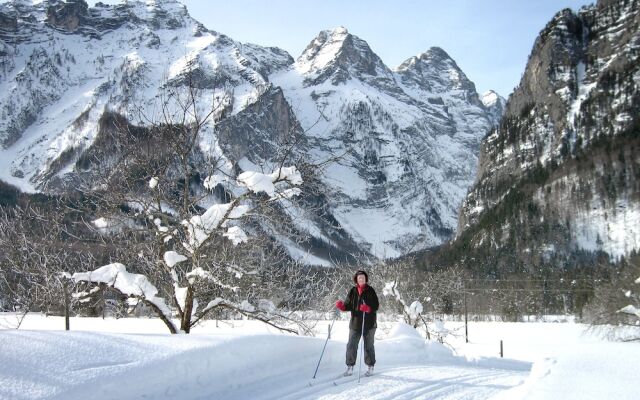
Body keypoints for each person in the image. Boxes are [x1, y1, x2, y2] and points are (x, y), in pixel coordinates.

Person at [335, 269, 379, 377]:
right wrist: (342, 306)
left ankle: (370, 366)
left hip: (369, 324)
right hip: (355, 323)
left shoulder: (370, 290)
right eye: (359, 278)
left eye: (363, 278)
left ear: (366, 279)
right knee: (351, 345)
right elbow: (348, 305)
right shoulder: (353, 291)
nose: (361, 279)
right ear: (356, 279)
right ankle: (350, 367)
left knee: (368, 346)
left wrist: (368, 308)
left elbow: (376, 305)